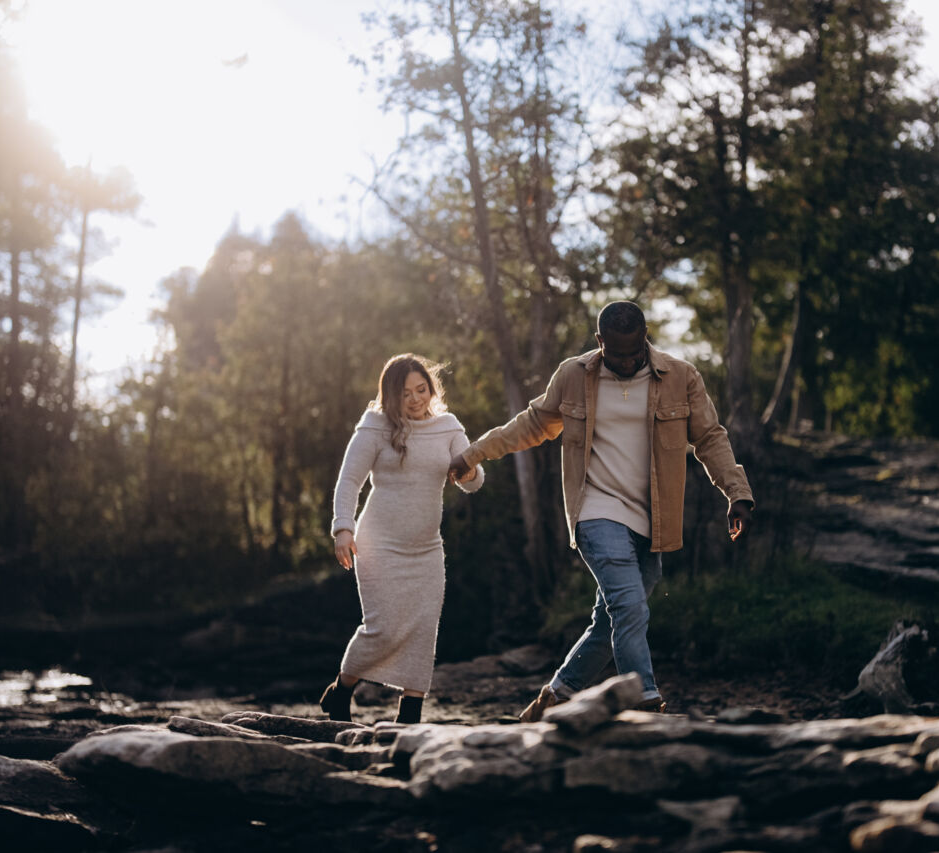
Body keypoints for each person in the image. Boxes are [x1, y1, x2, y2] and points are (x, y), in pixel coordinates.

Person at [448, 301, 754, 720]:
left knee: (612, 621)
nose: (626, 363)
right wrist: (473, 453)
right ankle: (644, 701)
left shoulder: (681, 377)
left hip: (653, 518)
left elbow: (710, 438)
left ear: (645, 337)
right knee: (629, 606)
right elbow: (532, 424)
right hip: (595, 508)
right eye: (616, 354)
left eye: (634, 353)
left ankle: (553, 698)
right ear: (599, 342)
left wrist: (737, 493)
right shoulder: (574, 376)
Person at [321, 353, 484, 724]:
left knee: (423, 630)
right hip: (378, 544)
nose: (415, 399)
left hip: (426, 549)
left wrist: (469, 471)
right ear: (391, 395)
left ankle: (410, 715)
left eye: (421, 389)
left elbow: (474, 482)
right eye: (405, 393)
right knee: (384, 629)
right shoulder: (375, 426)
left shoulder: (447, 427)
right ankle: (341, 690)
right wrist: (343, 527)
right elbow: (349, 480)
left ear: (431, 388)